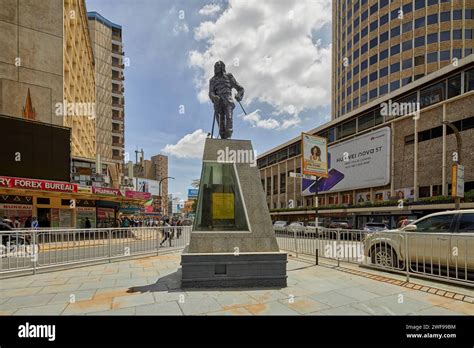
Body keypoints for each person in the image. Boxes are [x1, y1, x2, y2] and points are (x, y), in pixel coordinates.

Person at [209, 60, 244, 139]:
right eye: (215, 66)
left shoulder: (229, 76)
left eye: (217, 66)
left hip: (228, 99)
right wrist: (213, 97)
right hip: (218, 102)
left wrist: (239, 95)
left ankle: (228, 135)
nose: (215, 68)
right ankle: (222, 135)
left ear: (222, 67)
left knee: (229, 117)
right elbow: (211, 92)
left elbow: (240, 88)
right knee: (220, 121)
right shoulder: (212, 80)